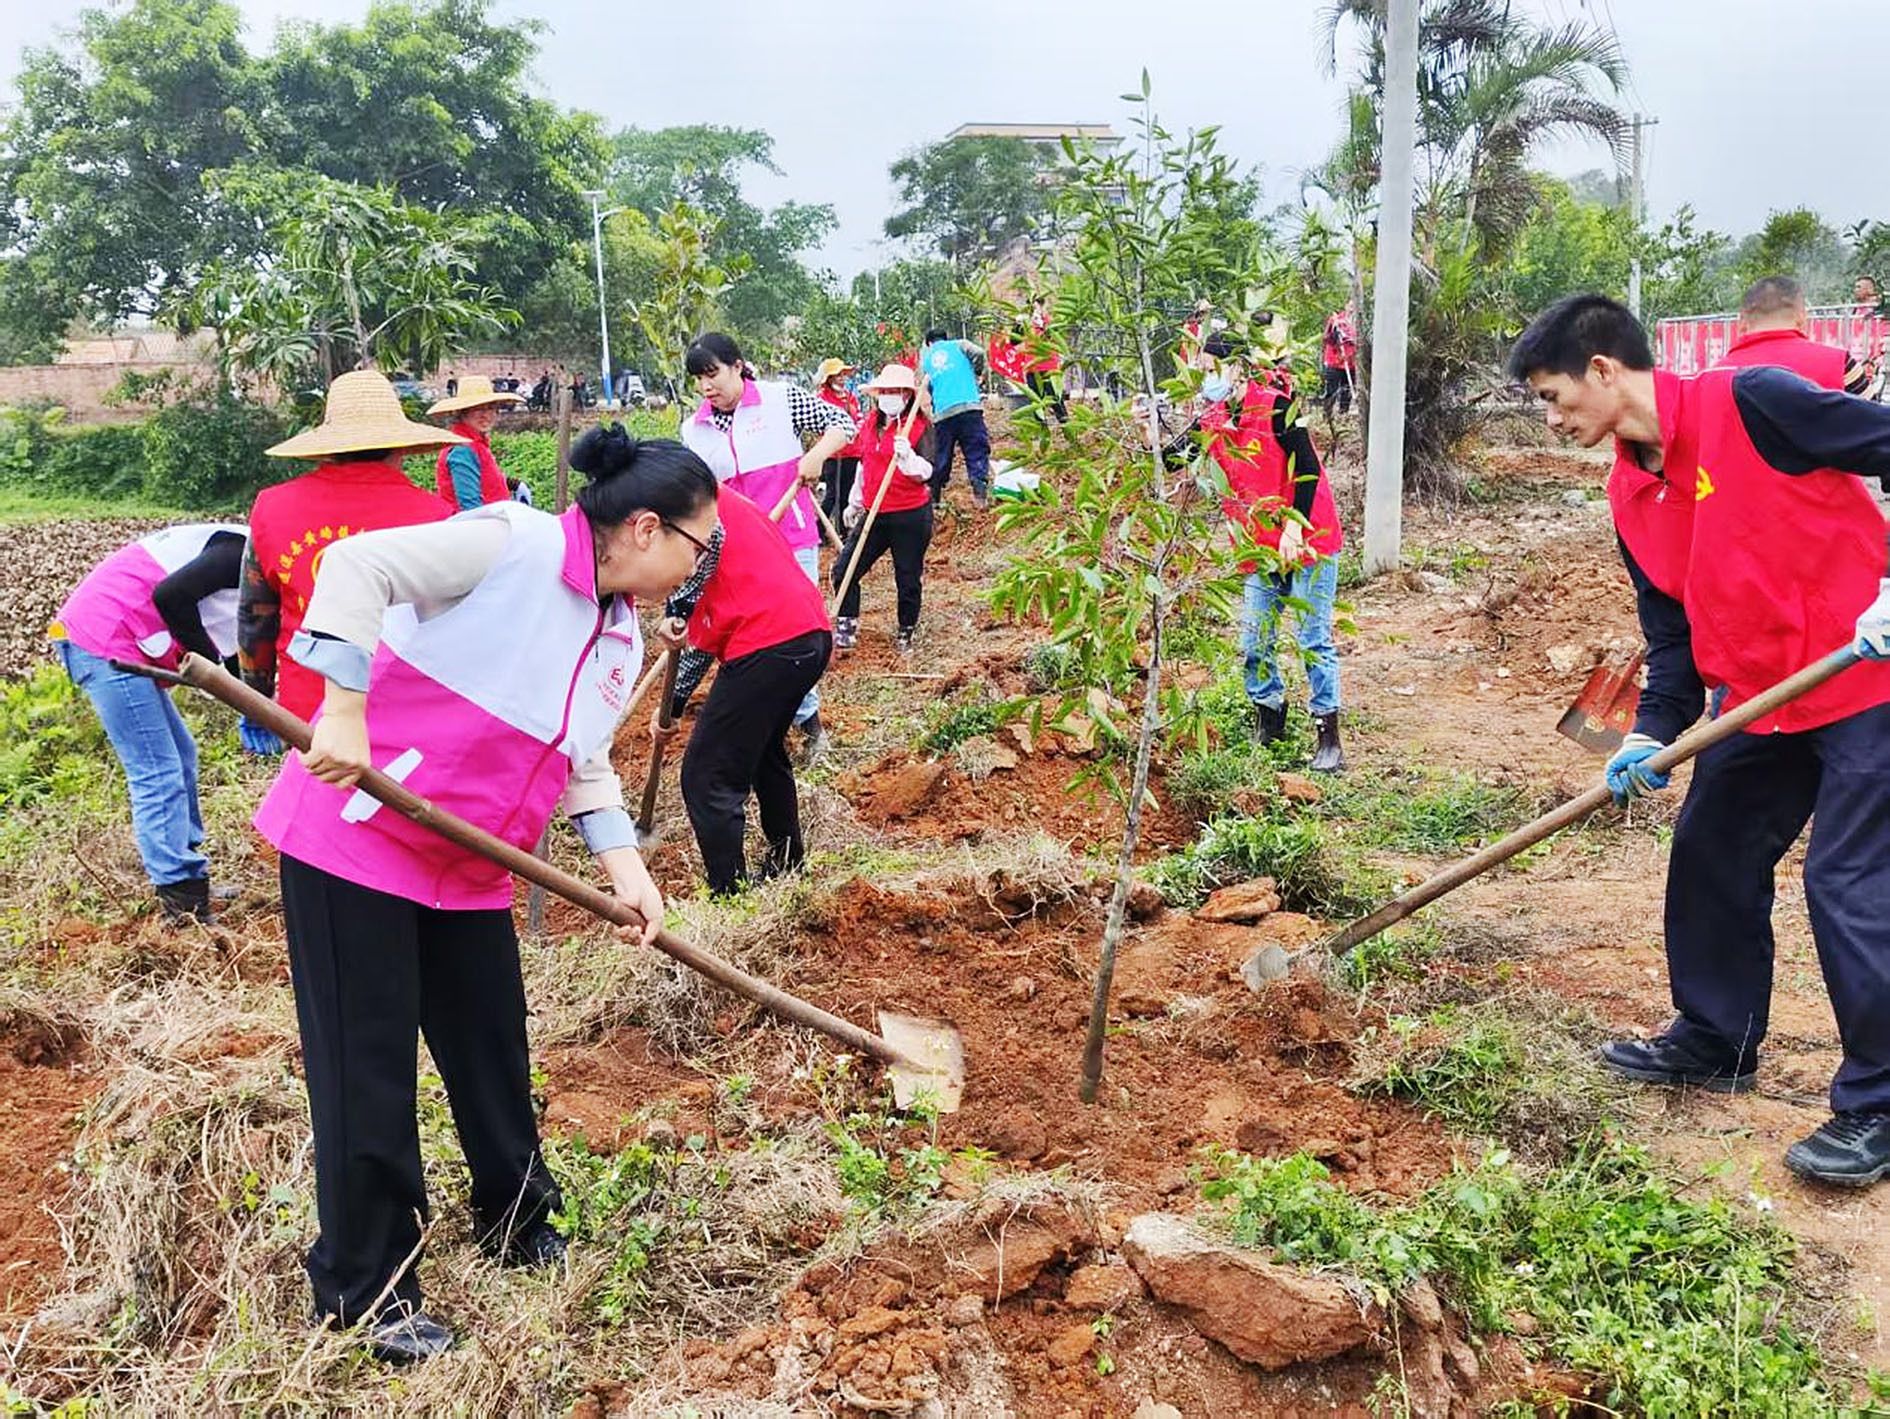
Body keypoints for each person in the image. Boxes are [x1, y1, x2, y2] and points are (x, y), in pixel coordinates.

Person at [251, 428, 715, 1362]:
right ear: (643, 525)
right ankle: (367, 1286)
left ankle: (517, 1216)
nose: (696, 568)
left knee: (492, 1047)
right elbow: (354, 566)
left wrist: (625, 864)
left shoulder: (618, 632)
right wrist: (341, 706)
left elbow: (580, 757)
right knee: (366, 1064)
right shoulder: (513, 542)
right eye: (696, 547)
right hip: (357, 841)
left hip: (468, 862)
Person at [1508, 292, 1890, 1187]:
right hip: (1761, 696)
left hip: (1868, 675)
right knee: (1712, 845)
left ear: (1603, 369)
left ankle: (1877, 1100)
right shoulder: (1629, 489)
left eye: (1555, 396)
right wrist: (1647, 732)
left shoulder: (1751, 401)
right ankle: (1717, 1038)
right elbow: (1673, 637)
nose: (1553, 417)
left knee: (1847, 879)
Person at [47, 523, 246, 922]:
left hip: (124, 637)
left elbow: (245, 648)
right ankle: (181, 899)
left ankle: (189, 870)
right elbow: (171, 596)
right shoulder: (238, 554)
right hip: (103, 637)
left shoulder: (252, 566)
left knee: (182, 757)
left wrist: (250, 700)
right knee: (156, 771)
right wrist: (216, 673)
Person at [241, 371, 457, 726]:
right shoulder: (437, 518)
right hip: (407, 710)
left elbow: (255, 615)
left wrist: (256, 700)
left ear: (328, 446)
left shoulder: (272, 508)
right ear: (401, 444)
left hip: (308, 716)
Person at [657, 466, 833, 896]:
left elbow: (700, 609)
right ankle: (788, 861)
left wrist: (679, 604)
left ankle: (729, 894)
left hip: (771, 642)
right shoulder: (721, 502)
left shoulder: (696, 515)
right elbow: (706, 634)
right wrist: (674, 704)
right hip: (806, 636)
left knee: (706, 774)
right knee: (763, 751)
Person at [679, 331, 854, 763]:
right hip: (732, 548)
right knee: (743, 636)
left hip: (788, 537)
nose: (707, 386)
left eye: (713, 373)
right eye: (699, 379)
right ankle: (760, 721)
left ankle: (810, 724)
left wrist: (816, 457)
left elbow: (844, 425)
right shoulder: (693, 429)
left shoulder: (780, 400)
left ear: (738, 365)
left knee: (796, 631)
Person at [1199, 329, 1346, 772]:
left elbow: (1305, 465)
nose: (1205, 378)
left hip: (1307, 535)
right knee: (1254, 640)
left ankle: (1329, 738)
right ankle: (1270, 718)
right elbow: (1178, 455)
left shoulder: (1280, 406)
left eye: (1211, 368)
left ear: (1239, 367)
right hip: (1258, 545)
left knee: (1312, 637)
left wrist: (1294, 528)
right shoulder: (1214, 417)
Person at [833, 364, 935, 656]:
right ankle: (846, 629)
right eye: (884, 391)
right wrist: (855, 501)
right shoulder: (870, 424)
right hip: (875, 514)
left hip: (910, 514)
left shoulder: (919, 426)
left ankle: (906, 632)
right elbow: (865, 465)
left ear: (906, 394)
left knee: (907, 576)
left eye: (894, 391)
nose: (888, 396)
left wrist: (908, 458)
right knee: (844, 569)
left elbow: (928, 472)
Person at [1719, 275, 1868, 392]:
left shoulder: (1710, 377)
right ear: (1802, 317)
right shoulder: (1841, 363)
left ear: (1741, 322)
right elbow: (1876, 424)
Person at [430, 376, 527, 512]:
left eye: (490, 408)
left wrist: (509, 483)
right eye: (477, 409)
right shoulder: (462, 449)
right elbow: (470, 505)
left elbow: (482, 479)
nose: (485, 415)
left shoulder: (475, 444)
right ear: (462, 412)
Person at [918, 328, 991, 507]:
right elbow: (979, 352)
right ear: (945, 338)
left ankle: (934, 498)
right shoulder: (959, 345)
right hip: (969, 406)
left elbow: (926, 385)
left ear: (929, 343)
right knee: (976, 449)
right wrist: (977, 371)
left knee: (942, 454)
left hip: (943, 413)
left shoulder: (926, 360)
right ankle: (979, 494)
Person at [812, 357, 863, 522]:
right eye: (837, 375)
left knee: (847, 493)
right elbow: (820, 424)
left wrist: (857, 431)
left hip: (853, 451)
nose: (842, 378)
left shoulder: (850, 397)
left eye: (843, 374)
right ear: (829, 378)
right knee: (833, 494)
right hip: (833, 454)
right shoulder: (821, 399)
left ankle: (843, 528)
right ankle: (821, 528)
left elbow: (859, 419)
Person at [1320, 304, 1358, 420]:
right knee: (1331, 390)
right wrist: (1334, 332)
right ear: (1346, 305)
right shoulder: (1336, 320)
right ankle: (1327, 416)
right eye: (1350, 305)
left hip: (1351, 363)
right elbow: (1326, 338)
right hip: (1334, 362)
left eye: (1354, 305)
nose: (1352, 308)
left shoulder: (1359, 323)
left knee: (1347, 391)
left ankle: (1343, 415)